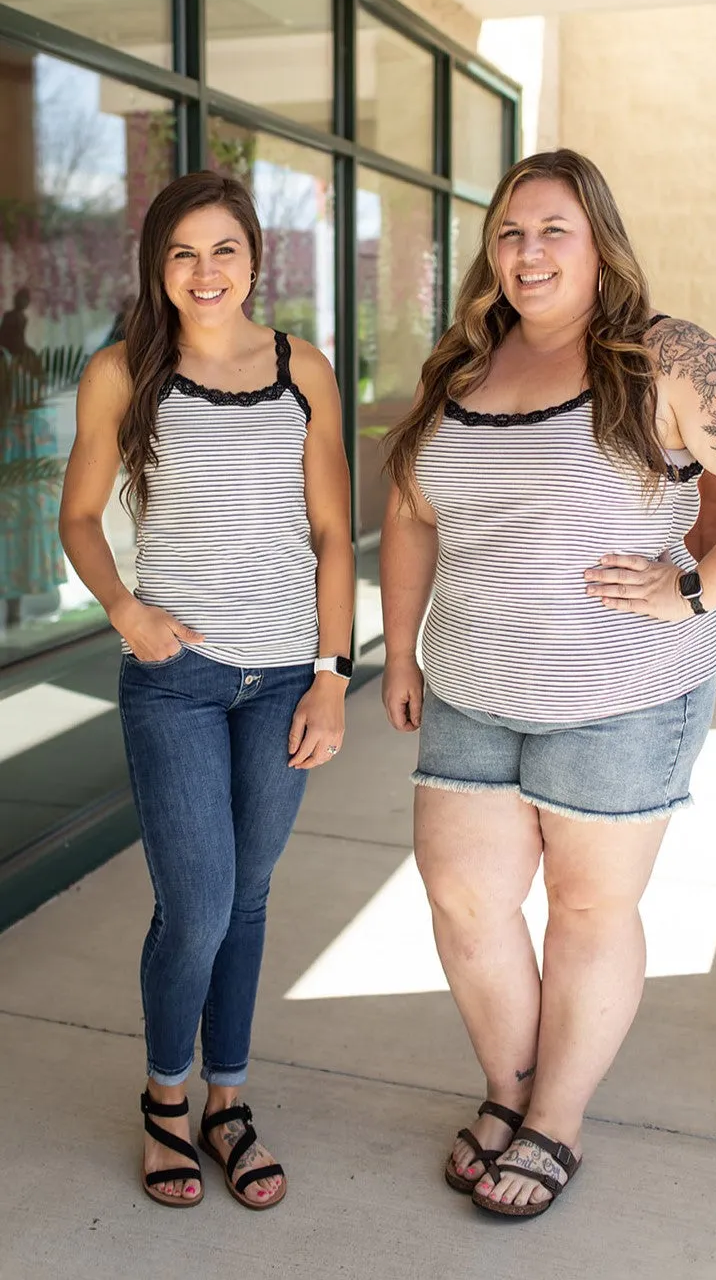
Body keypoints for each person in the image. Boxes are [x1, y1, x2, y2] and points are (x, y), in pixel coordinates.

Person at [380, 149, 716, 1221]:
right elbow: (410, 512)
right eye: (509, 232)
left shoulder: (655, 356)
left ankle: (558, 1120)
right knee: (464, 895)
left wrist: (697, 591)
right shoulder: (461, 366)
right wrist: (397, 650)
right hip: (468, 683)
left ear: (599, 244)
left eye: (553, 230)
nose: (526, 252)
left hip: (623, 692)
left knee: (588, 910)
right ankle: (511, 1088)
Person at [59, 171, 353, 1210]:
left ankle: (230, 1098)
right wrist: (127, 612)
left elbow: (330, 533)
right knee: (197, 905)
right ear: (157, 265)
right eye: (183, 252)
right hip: (174, 682)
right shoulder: (122, 372)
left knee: (252, 894)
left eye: (224, 248)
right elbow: (81, 517)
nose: (204, 271)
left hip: (283, 679)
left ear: (256, 258)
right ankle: (165, 1100)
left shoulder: (302, 368)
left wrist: (332, 672)